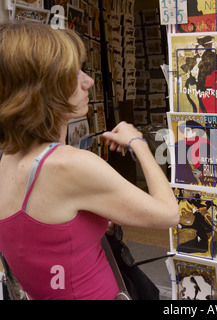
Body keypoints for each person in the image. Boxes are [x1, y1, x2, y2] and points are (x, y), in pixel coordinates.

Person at [0, 21, 179, 300]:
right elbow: (168, 214)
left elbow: (41, 235)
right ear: (45, 85)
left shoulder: (8, 157)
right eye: (75, 73)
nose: (89, 81)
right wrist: (139, 144)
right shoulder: (69, 164)